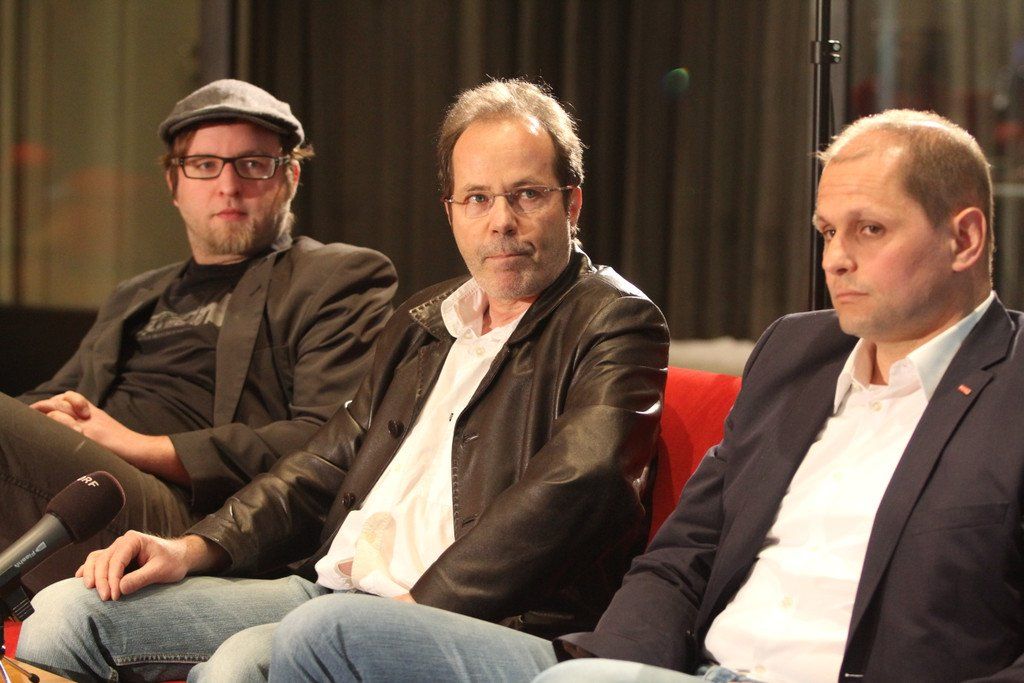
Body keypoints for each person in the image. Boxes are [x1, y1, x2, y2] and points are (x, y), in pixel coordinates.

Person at [252, 109, 1024, 683]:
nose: (836, 260)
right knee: (326, 636)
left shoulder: (1010, 387)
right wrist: (613, 668)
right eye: (826, 231)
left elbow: (577, 483)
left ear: (963, 239)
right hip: (678, 670)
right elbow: (682, 555)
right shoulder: (797, 353)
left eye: (870, 231)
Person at [15, 78, 669, 682]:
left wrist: (412, 611)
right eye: (477, 198)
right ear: (450, 212)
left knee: (239, 665)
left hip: (472, 617)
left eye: (527, 195)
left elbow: (578, 487)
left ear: (571, 202)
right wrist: (192, 546)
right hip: (329, 589)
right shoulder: (425, 321)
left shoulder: (613, 320)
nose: (501, 220)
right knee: (67, 612)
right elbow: (321, 464)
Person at [0, 79, 397, 592]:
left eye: (253, 164)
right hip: (77, 491)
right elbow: (49, 399)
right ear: (174, 183)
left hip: (184, 521)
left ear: (290, 176)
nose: (228, 186)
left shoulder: (336, 276)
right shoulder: (136, 295)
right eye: (205, 165)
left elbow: (327, 440)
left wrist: (137, 446)